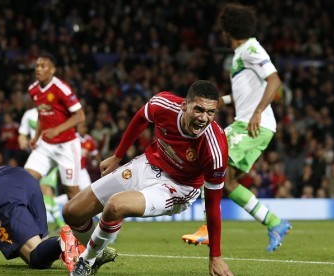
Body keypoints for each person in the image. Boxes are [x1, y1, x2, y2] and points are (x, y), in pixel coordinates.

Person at [63, 80, 234, 276]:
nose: (204, 118)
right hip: (146, 165)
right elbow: (140, 118)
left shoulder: (215, 149)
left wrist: (216, 256)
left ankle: (87, 261)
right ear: (184, 105)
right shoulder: (163, 105)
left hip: (178, 187)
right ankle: (99, 251)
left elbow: (213, 204)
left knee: (115, 206)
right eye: (199, 110)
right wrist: (117, 157)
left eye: (210, 112)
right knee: (72, 213)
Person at [182, 3, 291, 252]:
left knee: (210, 162)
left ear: (227, 30)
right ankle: (275, 222)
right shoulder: (242, 52)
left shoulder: (251, 48)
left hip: (252, 124)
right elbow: (246, 91)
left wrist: (257, 112)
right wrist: (225, 101)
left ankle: (207, 230)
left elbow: (274, 80)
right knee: (227, 182)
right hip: (249, 123)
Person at [25, 52, 85, 201]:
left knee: (72, 191)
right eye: (37, 65)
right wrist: (36, 137)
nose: (38, 69)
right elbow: (42, 114)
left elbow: (80, 116)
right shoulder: (33, 89)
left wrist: (56, 130)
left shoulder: (61, 88)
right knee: (25, 180)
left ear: (52, 70)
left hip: (67, 146)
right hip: (45, 145)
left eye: (43, 66)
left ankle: (86, 224)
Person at [18, 107, 66, 230]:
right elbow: (22, 134)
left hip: (51, 155)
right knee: (38, 189)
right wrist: (23, 141)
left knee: (46, 189)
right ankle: (60, 224)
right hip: (36, 157)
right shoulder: (29, 114)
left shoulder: (54, 113)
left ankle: (58, 224)